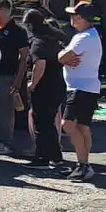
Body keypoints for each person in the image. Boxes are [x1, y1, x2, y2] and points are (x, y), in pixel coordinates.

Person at [57, 2, 104, 181]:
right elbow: (67, 58)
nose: (72, 19)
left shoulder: (82, 37)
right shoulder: (92, 35)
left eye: (75, 16)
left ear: (82, 19)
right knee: (83, 127)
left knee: (67, 125)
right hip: (89, 87)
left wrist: (64, 56)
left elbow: (62, 57)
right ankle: (84, 163)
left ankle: (83, 165)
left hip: (79, 88)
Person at [22, 10, 68, 170]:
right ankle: (56, 156)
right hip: (58, 85)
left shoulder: (38, 42)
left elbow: (39, 64)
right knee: (49, 122)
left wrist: (32, 84)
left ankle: (42, 157)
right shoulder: (56, 38)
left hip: (44, 88)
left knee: (41, 123)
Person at [0, 0, 29, 155]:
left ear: (5, 10)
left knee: (6, 111)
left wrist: (18, 80)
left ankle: (5, 142)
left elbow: (24, 57)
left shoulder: (18, 31)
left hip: (7, 75)